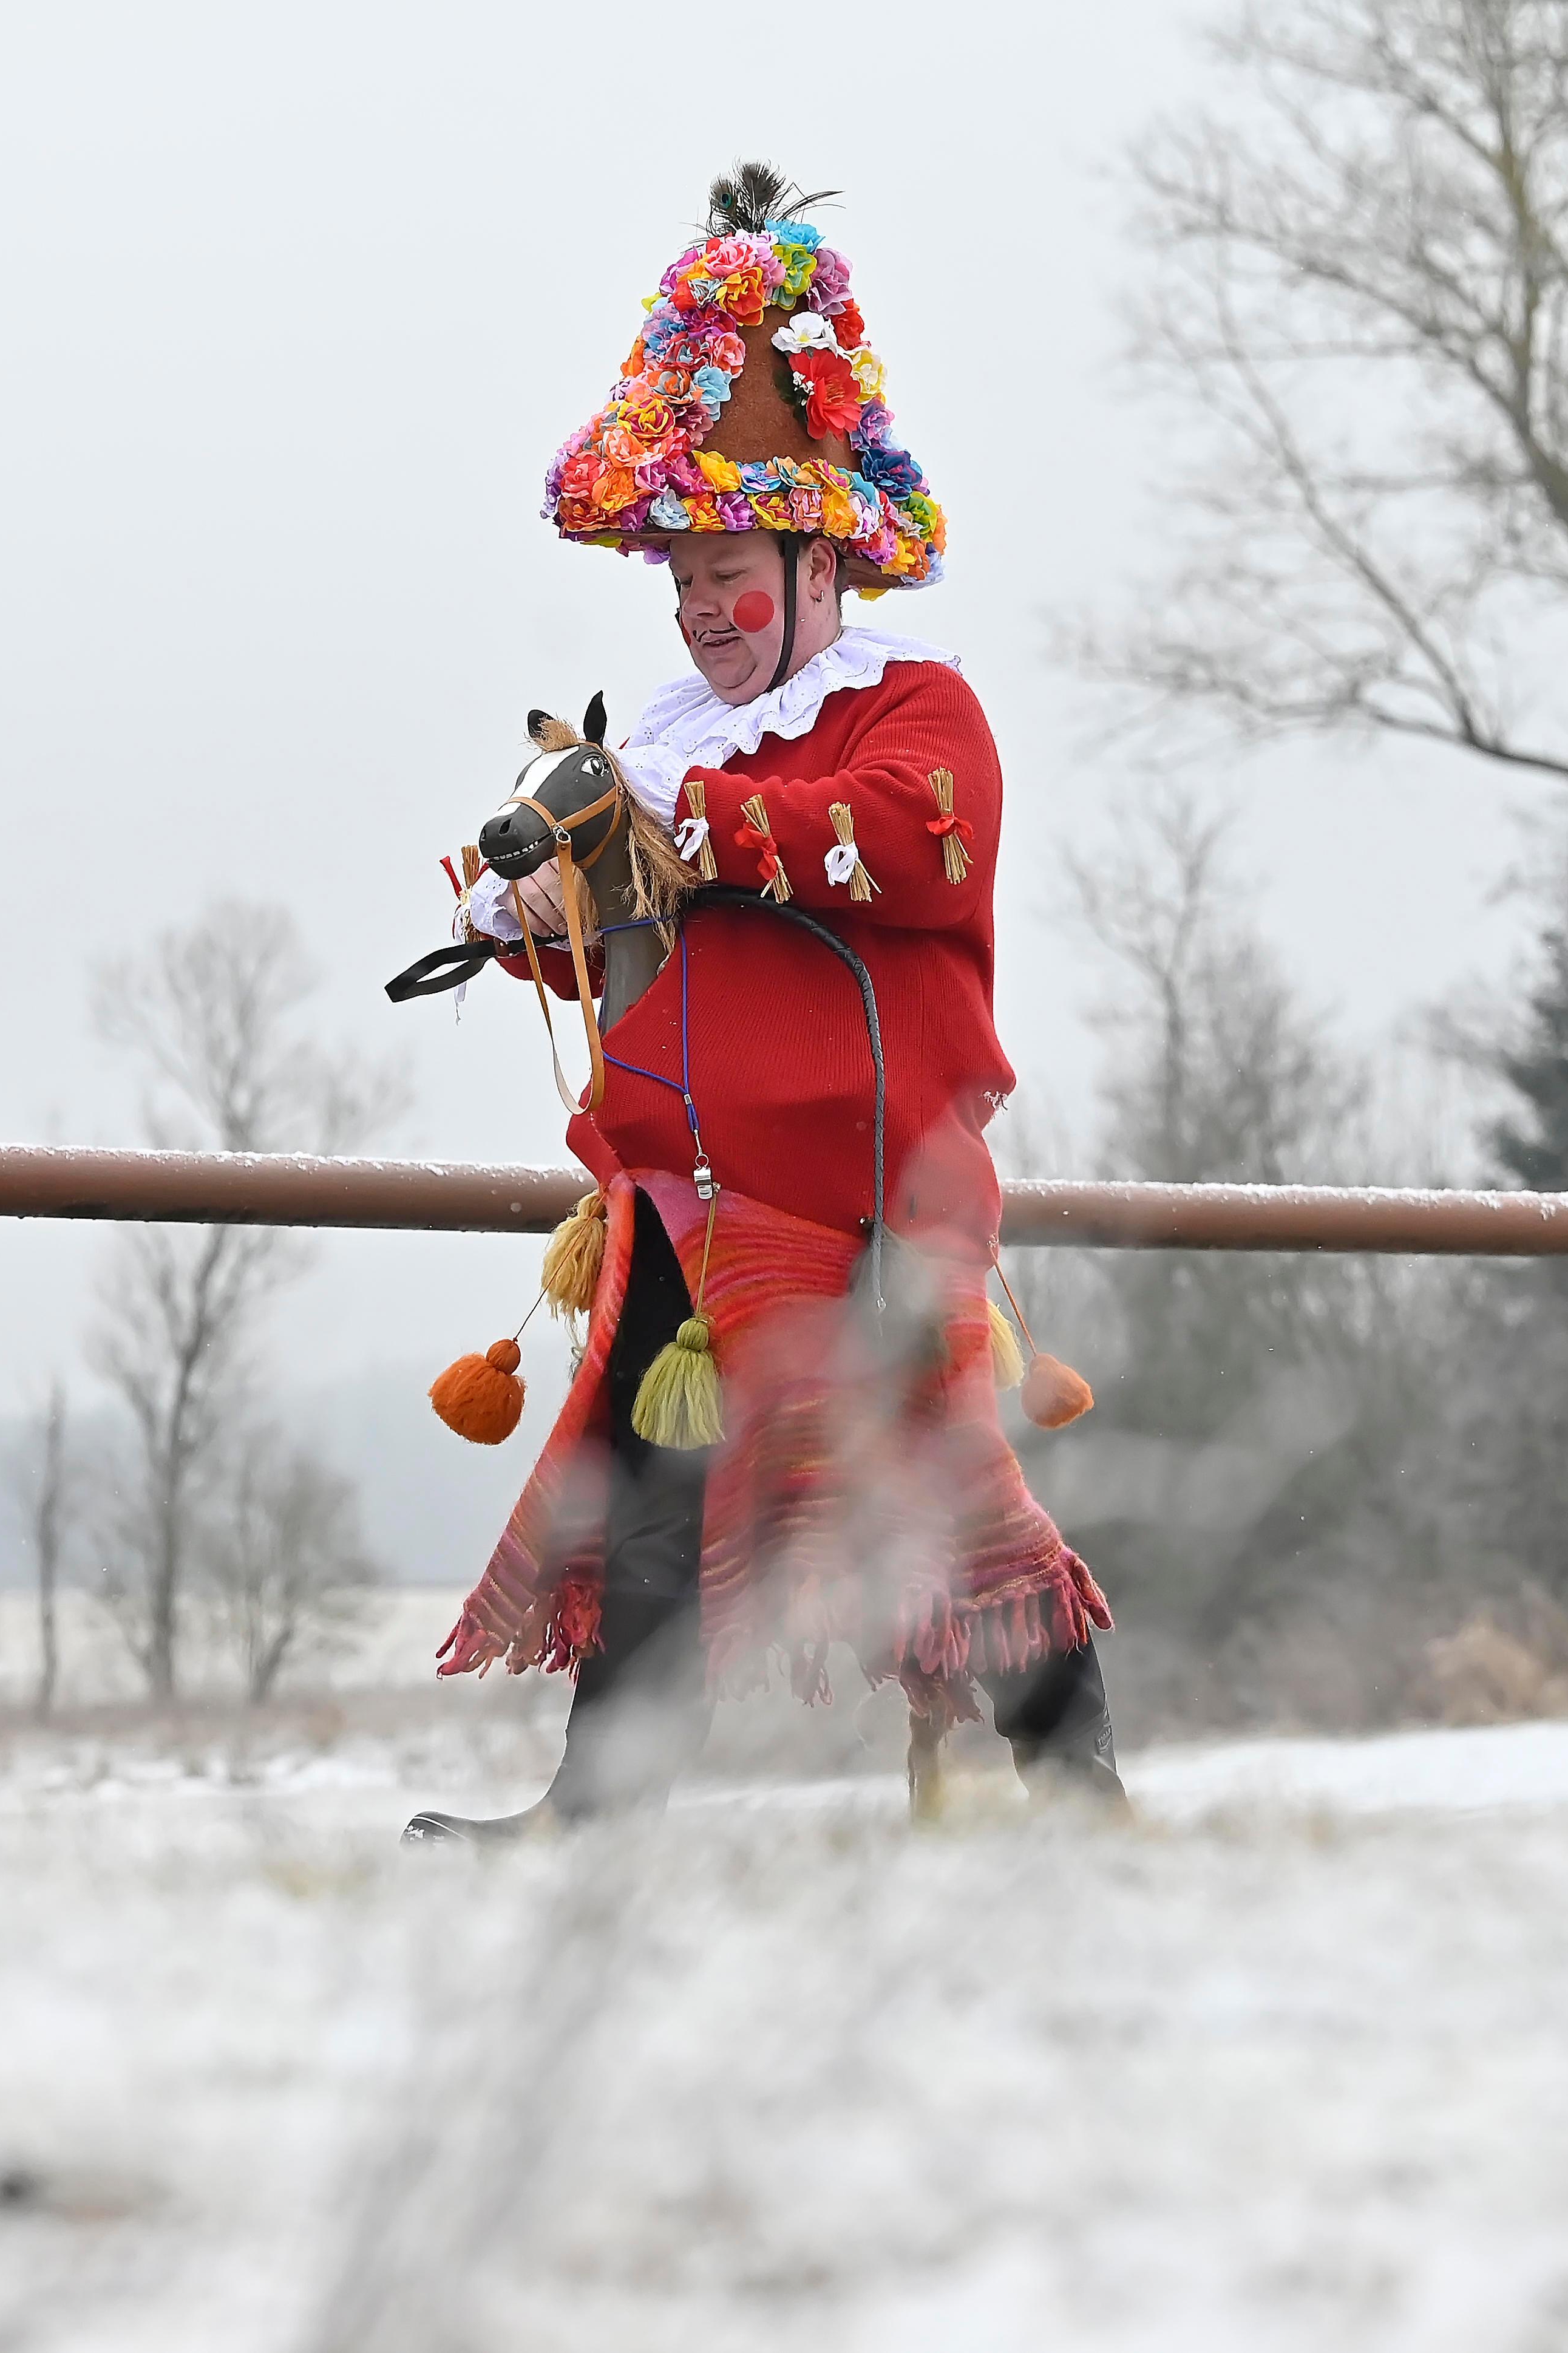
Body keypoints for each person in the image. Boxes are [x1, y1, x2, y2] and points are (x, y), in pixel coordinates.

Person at [404, 165, 1122, 1845]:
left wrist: (691, 822)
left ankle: (1085, 1804)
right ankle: (600, 1823)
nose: (699, 608)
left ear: (816, 562)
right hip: (684, 1205)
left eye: (727, 568)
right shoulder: (664, 747)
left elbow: (909, 853)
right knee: (644, 1512)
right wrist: (533, 911)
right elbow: (631, 931)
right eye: (678, 579)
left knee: (954, 1517)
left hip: (871, 1209)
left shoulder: (917, 712)